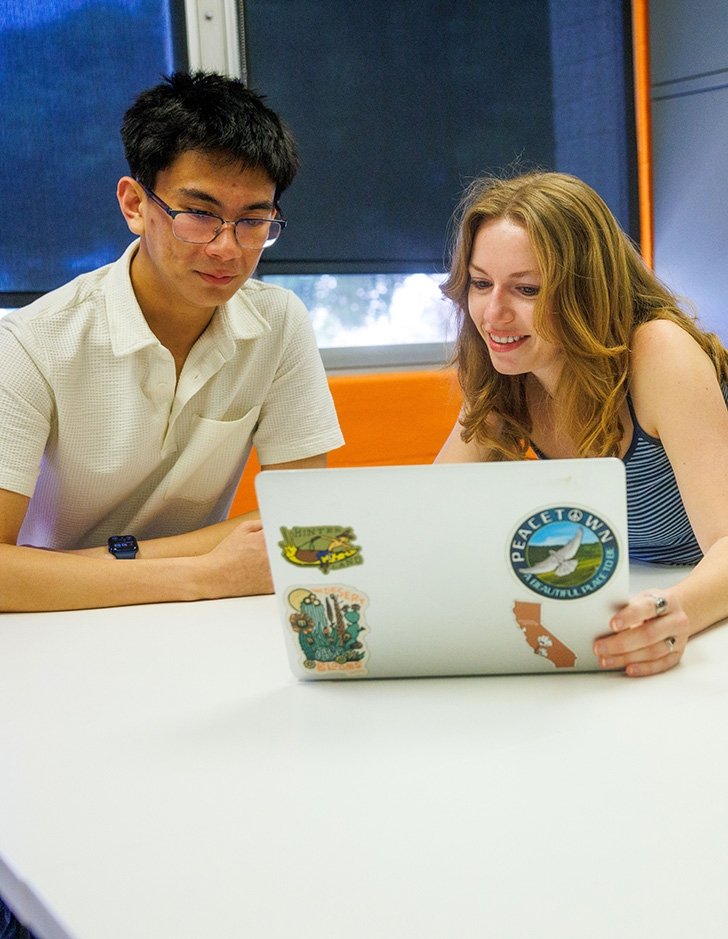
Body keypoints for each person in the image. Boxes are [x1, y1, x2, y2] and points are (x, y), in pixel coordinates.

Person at [0, 71, 343, 613]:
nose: (227, 249)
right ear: (135, 204)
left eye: (254, 221)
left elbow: (304, 523)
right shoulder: (29, 344)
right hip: (60, 620)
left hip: (199, 617)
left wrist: (109, 562)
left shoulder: (278, 322)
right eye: (199, 214)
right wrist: (201, 575)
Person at [436, 170, 728, 677]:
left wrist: (669, 613)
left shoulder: (659, 352)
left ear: (588, 291)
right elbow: (428, 515)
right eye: (481, 284)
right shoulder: (507, 370)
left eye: (526, 289)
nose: (492, 314)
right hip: (644, 594)